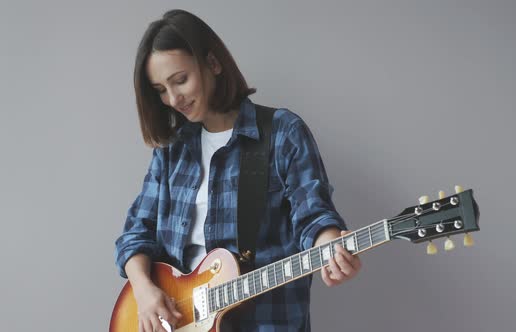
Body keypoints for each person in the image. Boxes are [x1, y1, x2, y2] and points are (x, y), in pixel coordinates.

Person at [114, 9, 361, 332]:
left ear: (213, 64)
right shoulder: (172, 151)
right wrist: (146, 293)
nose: (173, 98)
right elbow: (136, 234)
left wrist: (332, 249)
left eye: (180, 80)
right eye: (160, 89)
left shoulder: (282, 132)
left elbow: (313, 214)